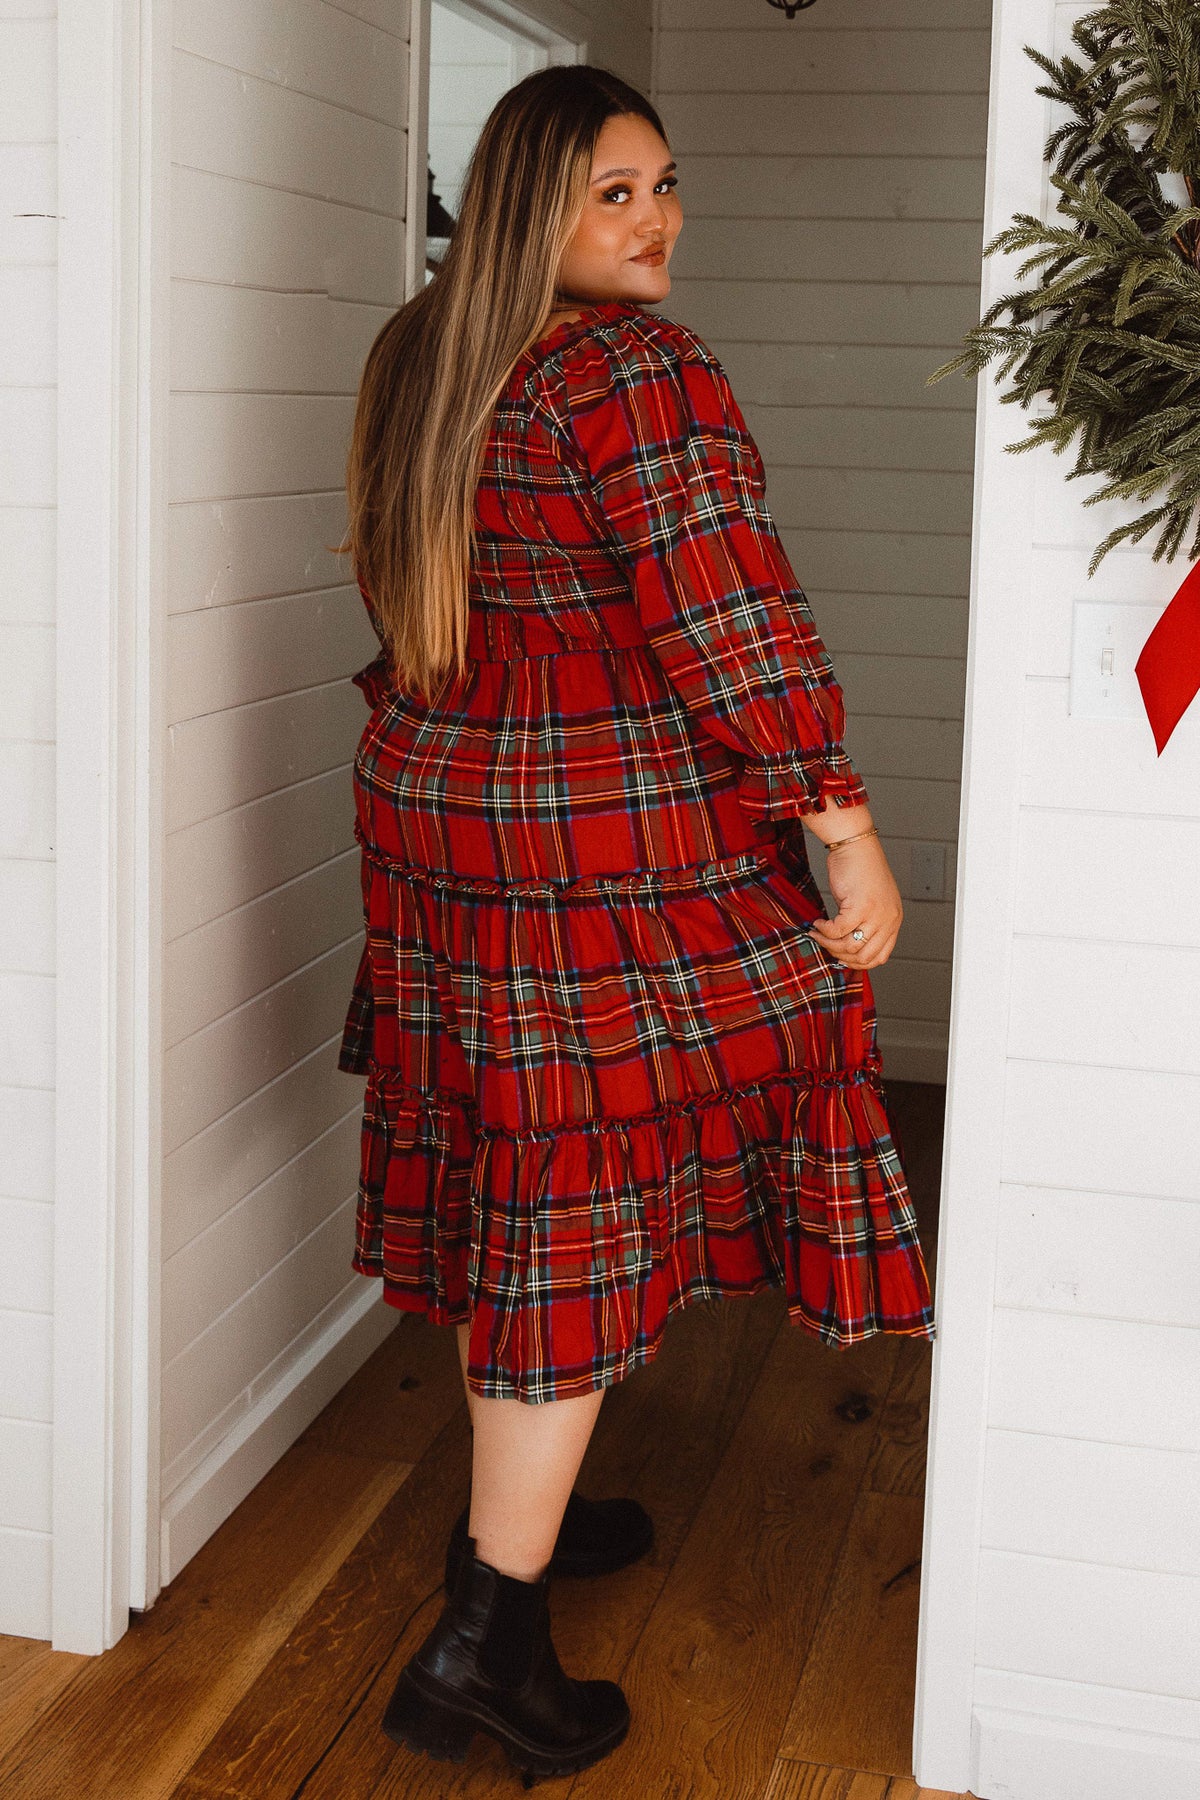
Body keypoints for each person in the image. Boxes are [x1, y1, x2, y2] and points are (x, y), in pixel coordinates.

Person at [337, 63, 935, 1786]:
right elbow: (733, 617)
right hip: (593, 833)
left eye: (666, 184)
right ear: (534, 204)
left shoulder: (422, 353)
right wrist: (843, 830)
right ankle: (484, 1643)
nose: (658, 218)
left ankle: (515, 1517)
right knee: (585, 1194)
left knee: (528, 1172)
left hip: (442, 811)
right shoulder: (633, 371)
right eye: (616, 191)